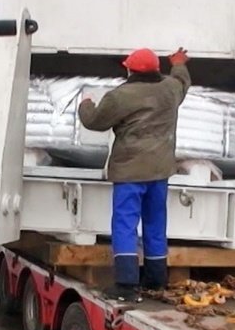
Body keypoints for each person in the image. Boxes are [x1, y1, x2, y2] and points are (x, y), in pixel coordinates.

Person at [79, 47, 191, 302]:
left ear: (130, 69)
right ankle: (155, 281)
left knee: (125, 225)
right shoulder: (170, 90)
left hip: (130, 172)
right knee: (155, 224)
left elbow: (95, 121)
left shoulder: (121, 96)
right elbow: (183, 82)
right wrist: (179, 63)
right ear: (155, 69)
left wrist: (85, 105)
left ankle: (127, 285)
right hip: (160, 172)